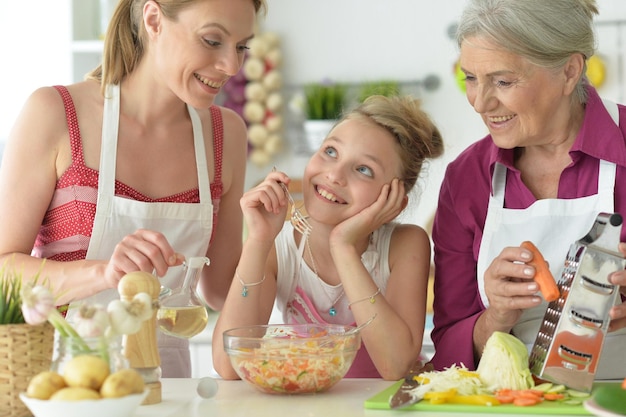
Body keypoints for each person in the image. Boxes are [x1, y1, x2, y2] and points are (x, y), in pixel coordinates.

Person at [0, 0, 266, 378]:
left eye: (241, 47)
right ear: (154, 19)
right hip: (63, 388)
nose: (232, 66)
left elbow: (221, 291)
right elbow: (4, 271)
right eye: (212, 41)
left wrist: (262, 239)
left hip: (170, 391)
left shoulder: (226, 134)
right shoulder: (55, 112)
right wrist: (103, 274)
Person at [431, 0, 626, 379]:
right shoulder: (466, 179)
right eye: (470, 78)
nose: (480, 102)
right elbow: (446, 354)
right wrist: (496, 316)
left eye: (503, 81)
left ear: (570, 72)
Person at [212, 95, 444, 380]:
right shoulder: (279, 244)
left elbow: (395, 366)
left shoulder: (404, 245)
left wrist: (342, 245)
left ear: (393, 200)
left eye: (363, 170)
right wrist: (258, 240)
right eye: (331, 152)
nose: (334, 174)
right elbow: (228, 365)